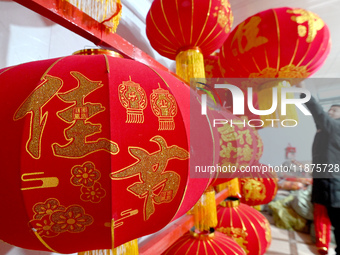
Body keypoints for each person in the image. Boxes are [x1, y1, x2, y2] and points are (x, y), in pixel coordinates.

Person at [296, 82, 340, 255]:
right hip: (325, 179)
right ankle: (322, 245)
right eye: (330, 110)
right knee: (322, 212)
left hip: (332, 181)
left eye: (334, 111)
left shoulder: (335, 127)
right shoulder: (326, 130)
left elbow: (317, 111)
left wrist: (303, 91)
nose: (330, 112)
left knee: (335, 217)